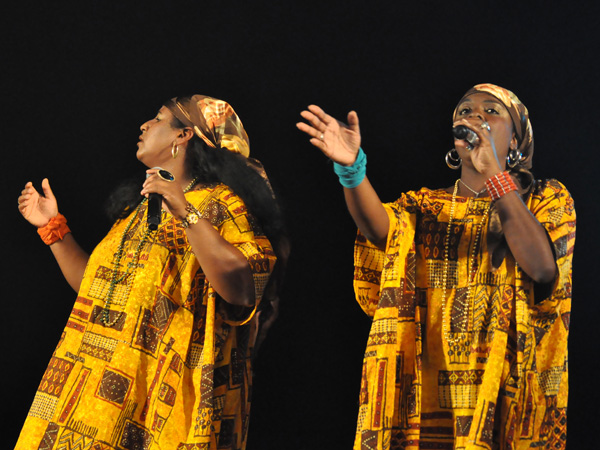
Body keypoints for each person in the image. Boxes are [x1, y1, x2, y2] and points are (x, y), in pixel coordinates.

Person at [297, 84, 575, 449]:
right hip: (424, 385)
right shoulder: (423, 206)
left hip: (505, 383)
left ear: (517, 142)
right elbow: (379, 230)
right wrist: (352, 169)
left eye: (491, 111)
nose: (474, 116)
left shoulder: (545, 198)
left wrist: (492, 170)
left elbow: (542, 269)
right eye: (464, 111)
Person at [15, 95, 286, 450]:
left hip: (157, 402)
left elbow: (243, 289)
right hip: (86, 399)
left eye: (158, 119)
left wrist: (186, 212)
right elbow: (94, 288)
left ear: (183, 136)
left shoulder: (222, 204)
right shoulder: (140, 210)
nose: (144, 125)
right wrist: (52, 228)